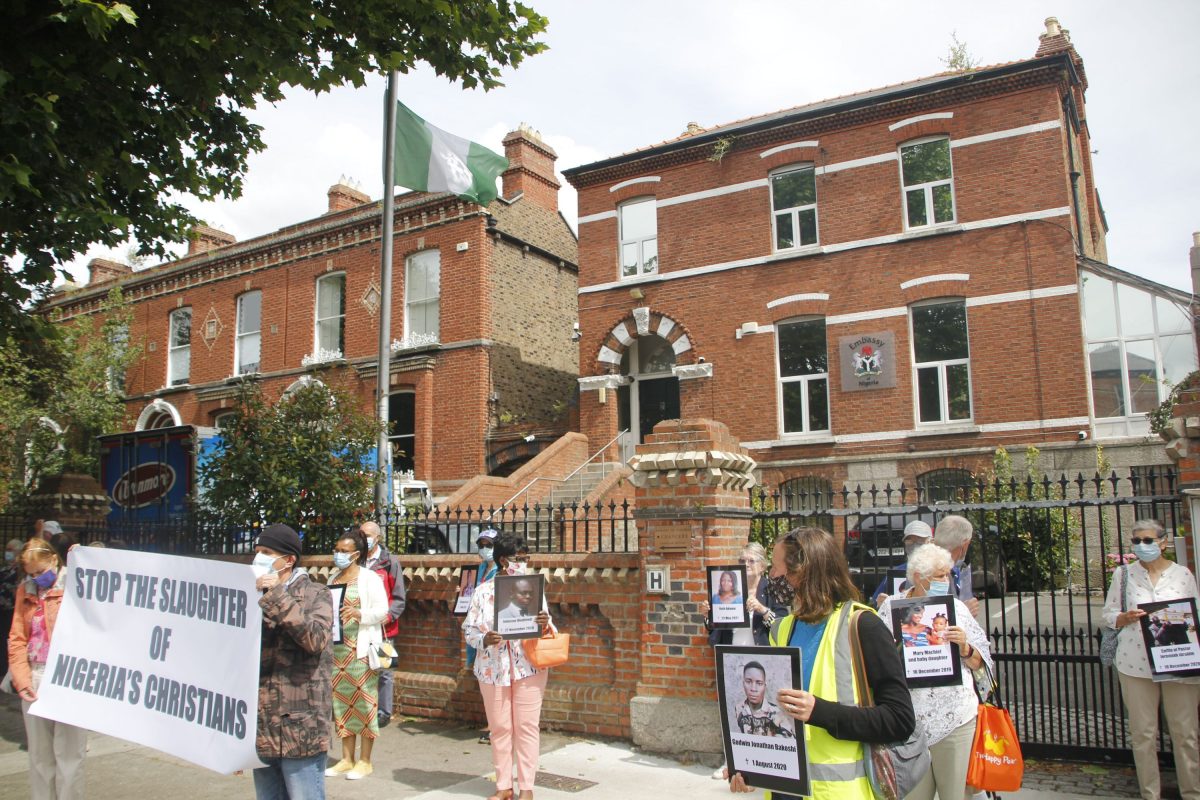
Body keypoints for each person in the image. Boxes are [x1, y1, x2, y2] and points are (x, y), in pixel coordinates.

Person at [730, 527, 915, 800]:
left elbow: (899, 719)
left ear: (806, 571)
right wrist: (751, 768)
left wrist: (819, 711)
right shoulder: (782, 630)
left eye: (781, 570)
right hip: (785, 790)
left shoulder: (863, 625)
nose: (774, 577)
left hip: (839, 792)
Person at [879, 543, 991, 800]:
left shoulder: (957, 609)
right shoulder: (891, 609)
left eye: (947, 574)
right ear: (919, 576)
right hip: (908, 722)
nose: (946, 580)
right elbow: (876, 656)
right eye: (940, 575)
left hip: (954, 718)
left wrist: (964, 647)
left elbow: (982, 661)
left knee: (956, 795)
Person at [1102, 519, 1199, 800]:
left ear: (1163, 542)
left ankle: (1192, 793)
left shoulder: (1182, 575)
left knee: (1186, 733)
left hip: (1178, 661)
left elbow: (1195, 613)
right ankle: (1150, 794)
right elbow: (1108, 614)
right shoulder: (1123, 575)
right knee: (1143, 735)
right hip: (1135, 664)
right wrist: (1124, 617)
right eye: (1136, 541)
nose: (1141, 546)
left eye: (1147, 540)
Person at [463, 533, 553, 800]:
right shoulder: (483, 593)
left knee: (527, 727)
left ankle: (527, 787)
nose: (524, 563)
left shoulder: (532, 589)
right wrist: (484, 639)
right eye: (519, 558)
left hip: (528, 666)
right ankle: (503, 785)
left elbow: (548, 626)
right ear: (504, 560)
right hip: (493, 668)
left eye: (526, 558)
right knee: (500, 728)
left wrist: (544, 622)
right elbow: (468, 630)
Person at [252, 523, 334, 800]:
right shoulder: (252, 594)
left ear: (288, 560)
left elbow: (315, 639)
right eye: (257, 551)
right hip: (262, 727)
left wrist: (276, 596)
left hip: (301, 728)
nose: (258, 557)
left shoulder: (317, 593)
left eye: (266, 552)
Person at [8, 538, 88, 799]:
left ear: (54, 559)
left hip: (69, 676)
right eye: (31, 573)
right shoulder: (26, 589)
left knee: (70, 755)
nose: (36, 578)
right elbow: (18, 637)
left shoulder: (76, 582)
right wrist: (22, 679)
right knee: (40, 756)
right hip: (36, 675)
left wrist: (85, 562)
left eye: (40, 572)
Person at [325, 528, 388, 781]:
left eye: (344, 551)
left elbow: (382, 611)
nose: (338, 555)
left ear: (356, 554)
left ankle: (365, 760)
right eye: (337, 550)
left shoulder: (369, 578)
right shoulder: (333, 578)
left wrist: (360, 614)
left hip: (361, 650)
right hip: (337, 652)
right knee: (341, 704)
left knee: (364, 703)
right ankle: (346, 758)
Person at [360, 520, 406, 728]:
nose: (365, 540)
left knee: (384, 671)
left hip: (384, 628)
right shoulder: (356, 561)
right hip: (361, 625)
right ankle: (364, 708)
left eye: (368, 536)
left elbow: (398, 595)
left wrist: (389, 616)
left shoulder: (389, 562)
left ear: (377, 538)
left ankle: (384, 711)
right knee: (361, 668)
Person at [468, 528, 500, 745]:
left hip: (494, 633)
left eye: (489, 545)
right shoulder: (480, 568)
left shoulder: (499, 570)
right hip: (477, 631)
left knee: (496, 680)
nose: (484, 549)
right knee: (484, 678)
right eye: (482, 545)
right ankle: (492, 723)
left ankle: (496, 727)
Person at [871, 519, 933, 606]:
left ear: (931, 542)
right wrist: (880, 603)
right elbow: (874, 602)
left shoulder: (943, 571)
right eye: (910, 541)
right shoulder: (897, 572)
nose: (914, 545)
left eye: (920, 540)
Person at [735, 661, 794, 738]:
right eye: (748, 682)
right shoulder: (739, 708)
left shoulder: (777, 714)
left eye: (759, 683)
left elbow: (790, 745)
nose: (753, 689)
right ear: (743, 683)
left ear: (764, 686)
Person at [0, 537, 23, 676]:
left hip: (12, 610)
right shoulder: (4, 567)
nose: (7, 552)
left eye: (10, 550)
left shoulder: (20, 570)